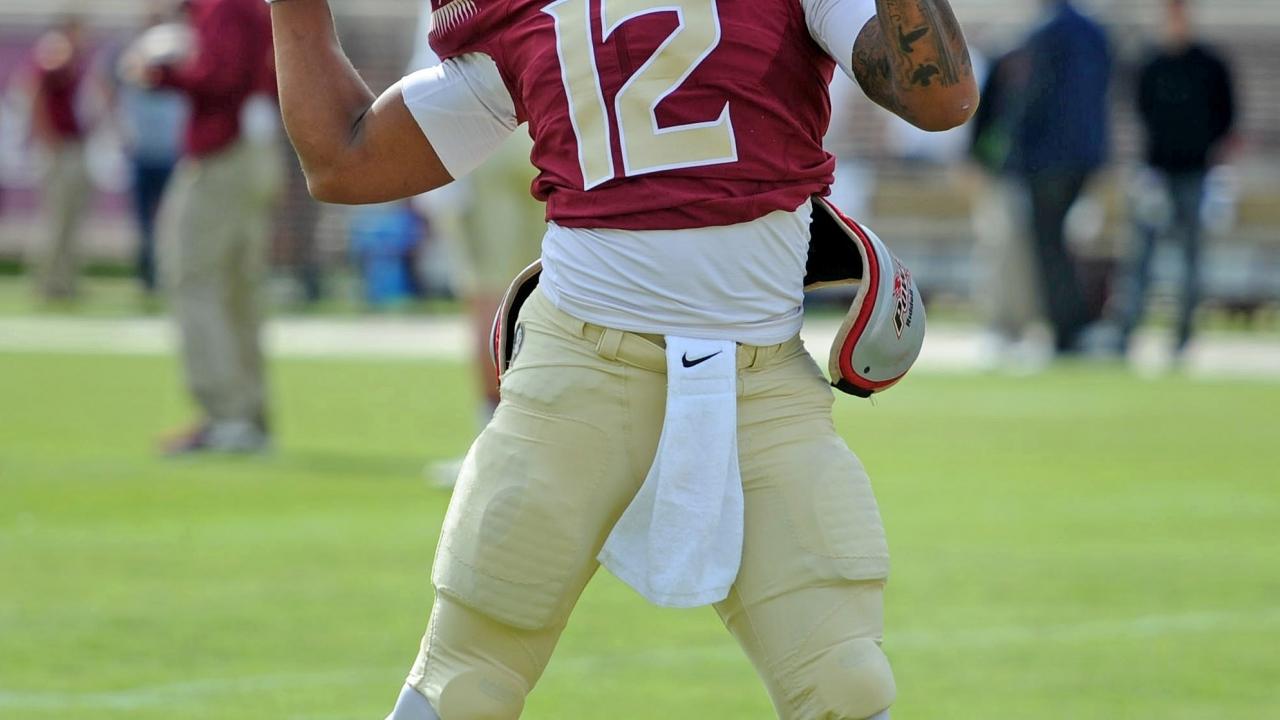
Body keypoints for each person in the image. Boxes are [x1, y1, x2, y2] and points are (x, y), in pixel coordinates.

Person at [270, 0, 976, 717]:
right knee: (467, 680)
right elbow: (345, 159)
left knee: (845, 683)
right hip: (580, 372)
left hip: (762, 386)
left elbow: (941, 99)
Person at [405, 0, 546, 488]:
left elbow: (434, 51)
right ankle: (545, 433)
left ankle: (497, 438)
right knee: (555, 286)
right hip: (550, 118)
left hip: (486, 121)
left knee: (489, 290)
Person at [146, 0, 276, 454]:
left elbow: (222, 76)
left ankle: (226, 414)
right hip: (251, 148)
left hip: (223, 152)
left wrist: (162, 74)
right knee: (237, 287)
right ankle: (246, 413)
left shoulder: (222, 5)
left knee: (195, 278)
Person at [1115, 0, 1236, 359]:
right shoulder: (1150, 62)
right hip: (1156, 172)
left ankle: (1182, 336)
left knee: (1190, 258)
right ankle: (1127, 333)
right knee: (1140, 256)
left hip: (1195, 172)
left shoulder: (1209, 64)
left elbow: (1226, 116)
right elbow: (1140, 111)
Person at [1008, 0, 1111, 356]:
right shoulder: (1096, 31)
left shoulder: (1046, 32)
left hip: (1048, 157)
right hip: (1086, 154)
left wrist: (1014, 151)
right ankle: (1076, 323)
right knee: (1061, 244)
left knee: (1049, 246)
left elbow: (1033, 94)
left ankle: (1067, 328)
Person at [112, 7, 189, 296]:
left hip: (170, 150)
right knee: (144, 220)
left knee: (172, 218)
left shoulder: (178, 49)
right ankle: (146, 274)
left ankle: (167, 272)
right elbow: (121, 80)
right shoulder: (134, 55)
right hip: (143, 149)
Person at [28, 16, 91, 302]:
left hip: (74, 145)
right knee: (57, 217)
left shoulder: (76, 63)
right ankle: (48, 281)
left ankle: (64, 280)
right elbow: (34, 91)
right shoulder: (56, 52)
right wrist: (46, 136)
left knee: (71, 219)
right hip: (60, 148)